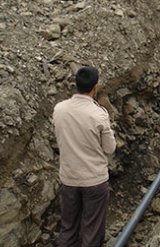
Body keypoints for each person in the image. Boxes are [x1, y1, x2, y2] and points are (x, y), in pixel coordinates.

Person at [53, 66, 116, 247]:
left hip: (69, 179)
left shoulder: (59, 110)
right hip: (94, 180)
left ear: (76, 84)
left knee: (68, 229)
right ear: (95, 87)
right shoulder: (99, 114)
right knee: (92, 231)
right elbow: (110, 148)